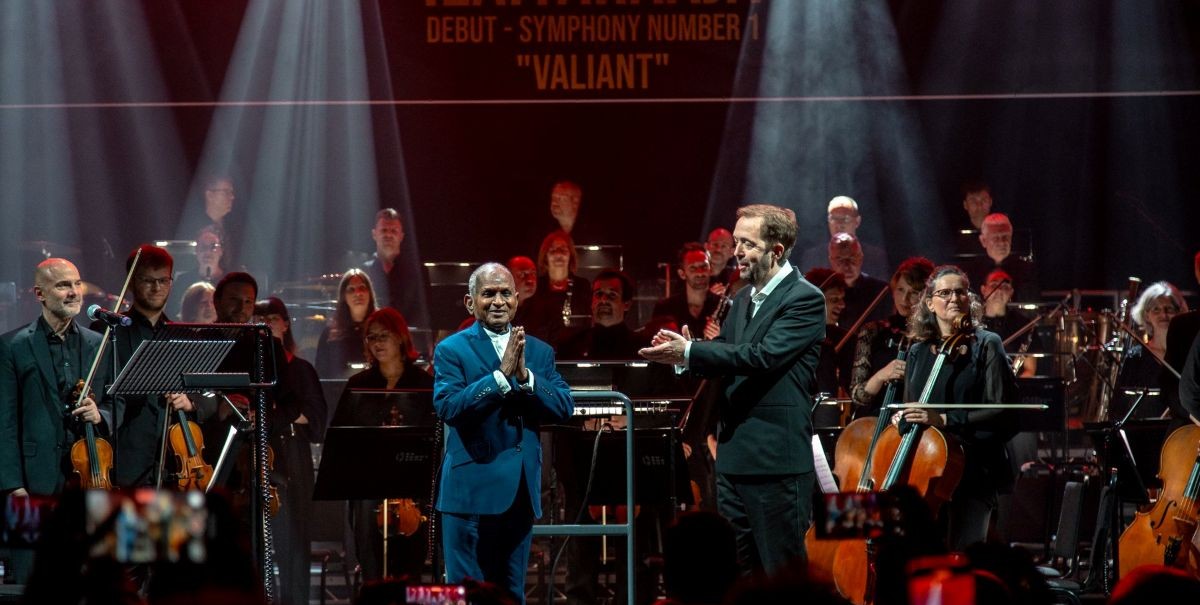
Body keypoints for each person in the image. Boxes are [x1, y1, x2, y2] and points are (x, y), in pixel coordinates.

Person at [640, 203, 825, 576]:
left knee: (782, 577)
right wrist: (684, 354)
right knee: (740, 578)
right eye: (736, 241)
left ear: (776, 250)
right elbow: (725, 355)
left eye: (747, 243)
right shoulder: (742, 300)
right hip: (734, 461)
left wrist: (693, 351)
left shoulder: (804, 298)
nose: (736, 252)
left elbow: (762, 357)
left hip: (776, 462)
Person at [433, 263, 574, 603]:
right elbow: (448, 408)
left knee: (511, 595)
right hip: (470, 495)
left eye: (505, 293)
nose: (498, 301)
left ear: (517, 299)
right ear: (470, 303)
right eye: (488, 293)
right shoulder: (451, 350)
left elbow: (564, 407)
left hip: (520, 494)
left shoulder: (539, 352)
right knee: (468, 597)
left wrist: (526, 379)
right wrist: (499, 378)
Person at [892, 265, 1019, 550]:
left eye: (960, 292)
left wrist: (945, 419)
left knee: (965, 557)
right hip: (928, 471)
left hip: (974, 468)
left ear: (969, 299)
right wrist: (902, 417)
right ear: (929, 303)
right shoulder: (918, 350)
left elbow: (1001, 409)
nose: (953, 299)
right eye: (945, 293)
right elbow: (914, 406)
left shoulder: (987, 344)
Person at [0, 258, 112, 582]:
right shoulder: (13, 346)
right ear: (40, 293)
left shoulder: (97, 343)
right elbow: (4, 422)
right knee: (34, 579)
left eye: (77, 284)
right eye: (63, 285)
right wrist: (12, 486)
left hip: (86, 477)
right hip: (34, 482)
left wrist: (100, 414)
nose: (74, 292)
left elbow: (114, 404)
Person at [92, 245, 208, 489]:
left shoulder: (183, 336)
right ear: (132, 282)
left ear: (171, 282)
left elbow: (207, 395)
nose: (157, 288)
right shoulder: (108, 332)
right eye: (148, 280)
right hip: (124, 460)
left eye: (163, 280)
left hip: (174, 462)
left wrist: (189, 401)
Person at [337, 307, 434, 581]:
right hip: (369, 483)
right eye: (371, 337)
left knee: (409, 562)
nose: (377, 343)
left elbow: (434, 435)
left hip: (411, 485)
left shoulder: (424, 383)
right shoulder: (358, 384)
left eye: (384, 336)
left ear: (401, 337)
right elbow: (343, 435)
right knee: (371, 560)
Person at [255, 296, 327, 605]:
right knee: (262, 539)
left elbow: (314, 420)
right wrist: (290, 412)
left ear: (286, 323)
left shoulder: (302, 369)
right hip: (259, 458)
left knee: (296, 542)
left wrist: (276, 413)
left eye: (273, 318)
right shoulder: (251, 370)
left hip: (293, 457)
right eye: (260, 319)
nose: (267, 324)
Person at [849, 257, 935, 419]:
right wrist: (882, 375)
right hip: (873, 421)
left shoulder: (934, 337)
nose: (904, 299)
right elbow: (857, 396)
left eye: (914, 293)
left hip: (916, 420)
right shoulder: (873, 331)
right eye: (900, 290)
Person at [1113, 281, 1187, 419]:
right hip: (1145, 431)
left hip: (1182, 432)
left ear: (1179, 312)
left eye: (1169, 309)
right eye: (1156, 309)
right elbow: (1121, 405)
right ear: (1146, 315)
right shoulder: (1135, 358)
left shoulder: (1187, 355)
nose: (1163, 315)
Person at [516, 230, 591, 346]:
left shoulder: (582, 286)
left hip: (577, 351)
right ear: (545, 256)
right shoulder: (536, 286)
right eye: (553, 250)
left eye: (563, 249)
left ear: (570, 254)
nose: (558, 254)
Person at [362, 207, 430, 331]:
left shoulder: (418, 273)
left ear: (401, 236)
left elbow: (425, 315)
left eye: (393, 231)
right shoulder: (363, 272)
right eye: (384, 230)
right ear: (374, 234)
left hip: (408, 343)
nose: (388, 235)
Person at [803, 268, 852, 429]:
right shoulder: (795, 337)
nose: (842, 305)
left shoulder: (838, 339)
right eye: (834, 299)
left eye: (843, 299)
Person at [557, 268, 643, 359]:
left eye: (612, 295)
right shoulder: (571, 346)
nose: (603, 300)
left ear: (627, 304)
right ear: (591, 302)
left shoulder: (643, 349)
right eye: (598, 294)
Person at [799, 196, 889, 278]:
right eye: (834, 218)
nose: (839, 224)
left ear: (857, 221)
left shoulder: (875, 256)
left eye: (845, 219)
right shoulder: (813, 256)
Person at [316, 268, 379, 379]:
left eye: (362, 288)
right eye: (351, 290)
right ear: (344, 296)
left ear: (370, 293)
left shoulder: (382, 329)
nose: (358, 293)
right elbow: (322, 374)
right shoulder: (330, 335)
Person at [978, 269, 1043, 377]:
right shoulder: (969, 323)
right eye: (994, 285)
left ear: (1011, 292)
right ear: (983, 290)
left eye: (1004, 287)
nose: (999, 291)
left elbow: (1029, 370)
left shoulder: (1025, 325)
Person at [962, 213, 1039, 301]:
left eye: (1005, 237)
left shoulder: (1026, 270)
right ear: (983, 240)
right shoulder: (971, 273)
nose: (1002, 242)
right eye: (995, 238)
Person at [652, 243, 721, 340]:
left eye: (704, 266)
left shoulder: (727, 308)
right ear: (682, 274)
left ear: (711, 269)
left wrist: (721, 339)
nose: (700, 272)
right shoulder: (664, 309)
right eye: (693, 268)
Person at [830, 232, 890, 329]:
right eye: (840, 259)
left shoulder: (881, 291)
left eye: (852, 258)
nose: (846, 265)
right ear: (831, 261)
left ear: (861, 258)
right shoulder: (822, 292)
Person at [168, 226, 225, 316]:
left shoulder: (230, 282)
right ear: (196, 251)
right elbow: (171, 314)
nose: (207, 252)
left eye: (213, 247)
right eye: (203, 247)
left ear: (221, 251)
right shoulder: (182, 282)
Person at [706, 227, 744, 299]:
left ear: (732, 252)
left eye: (724, 246)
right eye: (715, 244)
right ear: (706, 247)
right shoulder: (693, 274)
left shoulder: (737, 279)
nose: (718, 250)